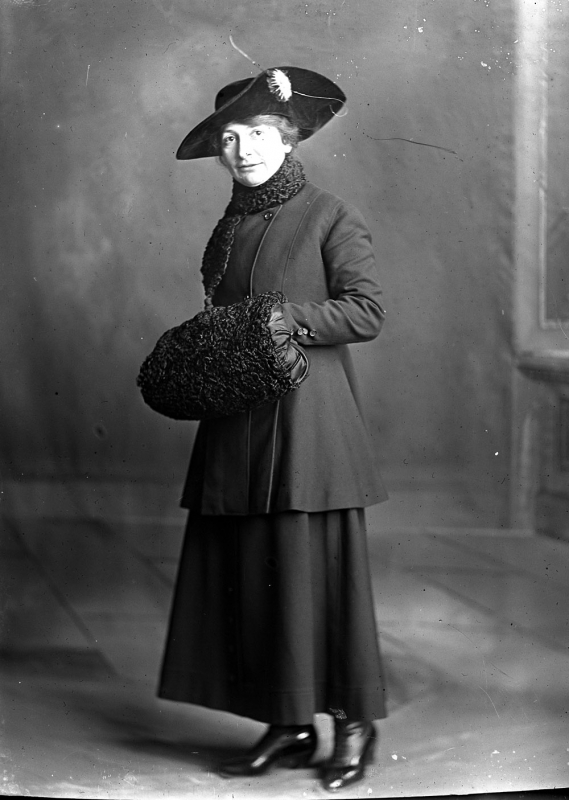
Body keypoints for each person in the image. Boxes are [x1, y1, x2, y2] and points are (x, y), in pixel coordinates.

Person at [157, 65, 388, 793]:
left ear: (288, 138)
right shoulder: (229, 225)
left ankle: (354, 725)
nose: (243, 149)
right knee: (253, 575)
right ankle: (288, 722)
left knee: (317, 576)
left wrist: (281, 319)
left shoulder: (329, 214)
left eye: (257, 133)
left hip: (309, 430)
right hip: (238, 424)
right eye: (229, 138)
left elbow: (365, 311)